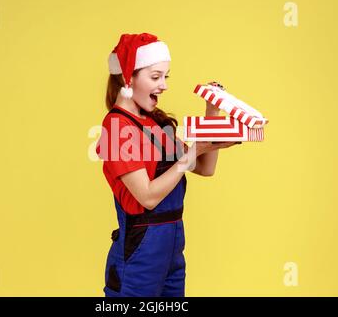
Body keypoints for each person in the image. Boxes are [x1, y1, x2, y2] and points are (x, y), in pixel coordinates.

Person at [95, 32, 240, 297]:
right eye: (155, 77)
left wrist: (212, 112)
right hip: (139, 255)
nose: (164, 85)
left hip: (172, 249)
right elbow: (147, 196)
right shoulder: (117, 128)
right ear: (128, 77)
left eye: (165, 77)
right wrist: (194, 152)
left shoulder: (155, 124)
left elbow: (205, 168)